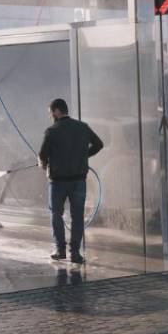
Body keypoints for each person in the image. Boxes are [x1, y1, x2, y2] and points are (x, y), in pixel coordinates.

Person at [37, 98, 103, 266]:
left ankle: (60, 250)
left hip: (57, 182)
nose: (51, 116)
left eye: (51, 112)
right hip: (78, 181)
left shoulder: (51, 131)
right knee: (77, 217)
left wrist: (42, 164)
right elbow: (99, 144)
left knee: (56, 215)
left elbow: (42, 156)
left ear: (57, 111)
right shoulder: (83, 127)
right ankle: (75, 253)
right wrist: (83, 156)